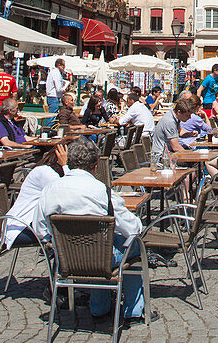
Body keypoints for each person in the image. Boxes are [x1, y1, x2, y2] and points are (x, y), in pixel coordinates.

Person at [38, 137, 146, 323]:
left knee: (101, 246)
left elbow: (40, 228)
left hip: (66, 258)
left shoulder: (50, 189)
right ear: (95, 166)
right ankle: (133, 311)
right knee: (133, 247)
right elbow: (132, 227)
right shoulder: (101, 191)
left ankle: (99, 307)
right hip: (99, 256)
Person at [3, 144, 67, 247]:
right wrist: (65, 166)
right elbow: (68, 193)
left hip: (34, 224)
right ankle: (59, 260)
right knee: (65, 235)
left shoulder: (54, 172)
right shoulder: (46, 173)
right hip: (20, 227)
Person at [150, 96, 195, 164]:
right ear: (179, 112)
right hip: (162, 157)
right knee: (193, 162)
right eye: (187, 115)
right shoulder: (170, 121)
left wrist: (189, 134)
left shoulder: (174, 116)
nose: (190, 117)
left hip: (168, 153)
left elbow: (179, 133)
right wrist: (192, 155)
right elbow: (176, 147)